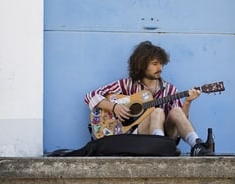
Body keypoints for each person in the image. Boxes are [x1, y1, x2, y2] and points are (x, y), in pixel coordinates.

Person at [84, 40, 212, 156]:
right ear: (142, 65)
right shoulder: (126, 84)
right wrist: (115, 107)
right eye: (155, 64)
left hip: (167, 137)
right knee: (156, 111)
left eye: (161, 64)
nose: (160, 68)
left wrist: (188, 102)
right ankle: (159, 147)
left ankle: (196, 145)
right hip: (134, 138)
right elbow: (91, 96)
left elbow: (180, 123)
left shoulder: (170, 90)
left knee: (176, 111)